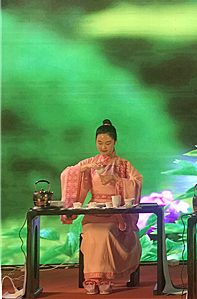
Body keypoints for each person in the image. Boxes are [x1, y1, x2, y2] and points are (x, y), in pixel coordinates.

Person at [60, 119, 143, 295]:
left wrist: (116, 180)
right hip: (94, 213)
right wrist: (84, 168)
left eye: (108, 143)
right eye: (99, 143)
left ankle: (104, 278)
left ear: (115, 142)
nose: (103, 147)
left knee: (105, 233)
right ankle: (93, 278)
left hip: (116, 215)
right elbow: (67, 173)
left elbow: (137, 182)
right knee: (92, 233)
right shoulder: (91, 162)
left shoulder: (123, 164)